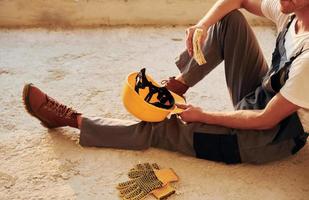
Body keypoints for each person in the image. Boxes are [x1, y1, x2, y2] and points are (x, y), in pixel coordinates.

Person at [23, 0, 309, 164]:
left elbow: (264, 120)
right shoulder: (292, 9)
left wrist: (203, 115)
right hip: (264, 92)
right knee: (229, 21)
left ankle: (73, 120)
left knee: (163, 129)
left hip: (268, 139)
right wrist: (202, 25)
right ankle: (177, 87)